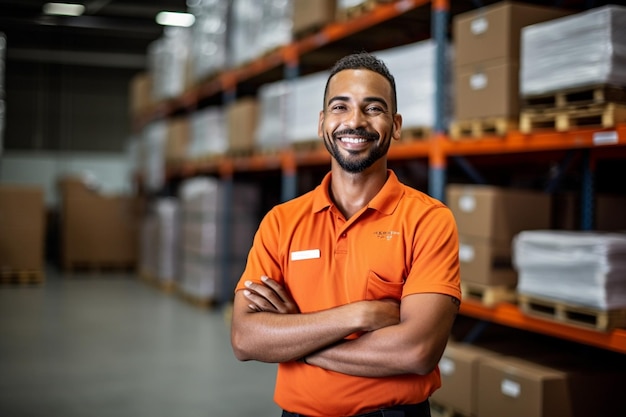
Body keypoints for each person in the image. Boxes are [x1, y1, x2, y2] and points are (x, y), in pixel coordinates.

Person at [230, 52, 461, 417]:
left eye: (373, 109)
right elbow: (245, 338)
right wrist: (360, 315)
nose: (355, 121)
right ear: (322, 123)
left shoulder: (428, 220)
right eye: (340, 107)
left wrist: (296, 337)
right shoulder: (281, 222)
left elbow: (416, 352)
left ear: (395, 125)